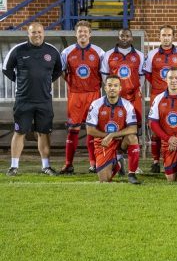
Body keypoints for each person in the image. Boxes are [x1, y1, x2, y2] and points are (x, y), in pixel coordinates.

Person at [3, 22, 62, 176]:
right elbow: (6, 69)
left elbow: (57, 71)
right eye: (33, 32)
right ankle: (14, 166)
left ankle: (46, 166)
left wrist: (44, 82)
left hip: (44, 100)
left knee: (44, 133)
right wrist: (22, 82)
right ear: (28, 34)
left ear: (44, 33)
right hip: (24, 100)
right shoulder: (18, 50)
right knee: (19, 132)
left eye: (39, 32)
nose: (37, 35)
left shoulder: (52, 51)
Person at [59, 20, 105, 174]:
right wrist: (74, 84)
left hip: (94, 95)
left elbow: (103, 74)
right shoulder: (67, 52)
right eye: (80, 31)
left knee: (92, 129)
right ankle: (68, 164)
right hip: (75, 96)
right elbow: (63, 71)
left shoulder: (99, 52)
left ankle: (93, 163)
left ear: (90, 34)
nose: (83, 34)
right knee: (73, 129)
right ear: (76, 33)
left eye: (85, 31)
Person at [143, 25, 177, 173]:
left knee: (175, 127)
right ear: (159, 37)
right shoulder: (152, 55)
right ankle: (156, 161)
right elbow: (148, 75)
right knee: (156, 130)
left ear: (173, 37)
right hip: (158, 95)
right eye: (163, 35)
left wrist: (175, 88)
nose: (166, 38)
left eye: (169, 35)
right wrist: (159, 87)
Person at [101, 28, 145, 174]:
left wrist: (136, 88)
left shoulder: (139, 55)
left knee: (134, 129)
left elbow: (141, 77)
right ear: (118, 37)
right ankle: (117, 158)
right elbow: (105, 77)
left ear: (131, 38)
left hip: (133, 98)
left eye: (127, 36)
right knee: (115, 126)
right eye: (122, 36)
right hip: (116, 99)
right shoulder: (108, 55)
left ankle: (134, 164)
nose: (124, 38)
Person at [86, 75, 140, 184]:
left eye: (115, 85)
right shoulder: (96, 104)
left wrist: (112, 135)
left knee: (132, 138)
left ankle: (132, 174)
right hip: (103, 143)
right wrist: (107, 136)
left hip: (120, 141)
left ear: (120, 88)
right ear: (105, 88)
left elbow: (133, 128)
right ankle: (118, 162)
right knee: (105, 180)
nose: (112, 88)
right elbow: (90, 130)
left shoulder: (127, 105)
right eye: (109, 85)